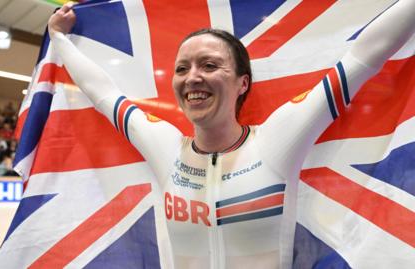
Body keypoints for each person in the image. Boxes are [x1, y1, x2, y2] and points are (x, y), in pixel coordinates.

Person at [48, 1, 415, 268]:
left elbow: (365, 56)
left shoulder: (277, 141)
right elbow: (103, 94)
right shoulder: (164, 149)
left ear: (243, 83)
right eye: (182, 68)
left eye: (210, 65)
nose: (193, 77)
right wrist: (59, 40)